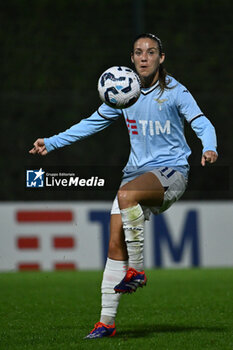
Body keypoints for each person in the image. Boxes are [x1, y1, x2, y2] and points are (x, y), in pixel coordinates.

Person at [29, 33, 218, 339]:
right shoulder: (123, 93)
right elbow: (89, 123)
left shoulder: (174, 91)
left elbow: (201, 122)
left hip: (172, 173)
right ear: (131, 59)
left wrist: (209, 147)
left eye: (151, 52)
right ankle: (106, 322)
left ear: (161, 58)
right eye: (138, 52)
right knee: (115, 246)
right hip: (135, 174)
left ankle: (139, 271)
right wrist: (51, 143)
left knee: (126, 194)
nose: (144, 57)